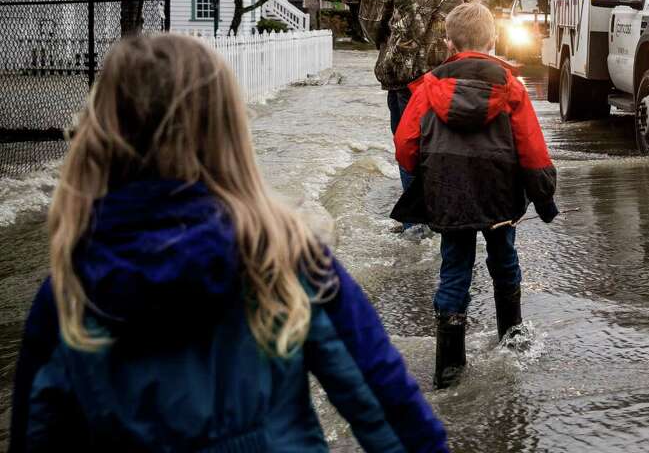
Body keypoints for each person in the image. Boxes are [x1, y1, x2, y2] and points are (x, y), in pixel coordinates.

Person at [8, 34, 447, 452]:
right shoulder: (285, 258)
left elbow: (38, 435)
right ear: (230, 134)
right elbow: (385, 405)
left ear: (100, 137)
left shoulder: (70, 290)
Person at [392, 1, 558, 389]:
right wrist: (545, 195)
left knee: (454, 268)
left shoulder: (428, 87)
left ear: (448, 43)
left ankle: (449, 367)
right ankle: (512, 340)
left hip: (449, 193)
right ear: (494, 40)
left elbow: (406, 145)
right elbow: (532, 150)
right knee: (504, 259)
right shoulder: (511, 87)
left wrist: (427, 178)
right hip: (498, 192)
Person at [358, 0, 463, 141]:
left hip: (403, 81)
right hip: (445, 78)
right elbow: (462, 13)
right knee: (440, 149)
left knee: (408, 150)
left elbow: (370, 30)